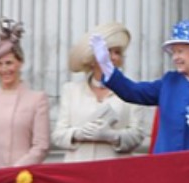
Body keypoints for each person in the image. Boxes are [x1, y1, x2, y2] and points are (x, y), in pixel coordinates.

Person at [92, 18, 189, 154]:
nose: (175, 57)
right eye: (173, 52)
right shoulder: (170, 81)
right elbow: (132, 91)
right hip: (167, 168)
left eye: (180, 51)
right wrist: (107, 66)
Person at [54, 23, 151, 163]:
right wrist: (78, 134)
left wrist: (113, 136)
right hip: (78, 171)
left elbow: (138, 134)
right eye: (107, 51)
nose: (112, 57)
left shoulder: (131, 91)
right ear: (93, 59)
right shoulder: (71, 90)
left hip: (115, 173)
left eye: (117, 52)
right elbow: (58, 135)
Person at [0, 20, 51, 168]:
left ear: (20, 62)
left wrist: (15, 171)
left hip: (21, 178)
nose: (4, 69)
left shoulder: (36, 99)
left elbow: (41, 146)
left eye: (9, 63)